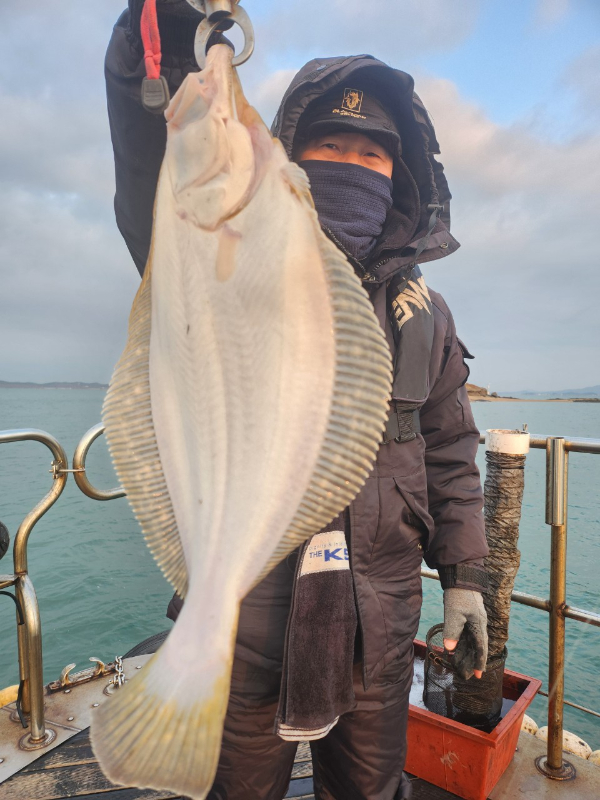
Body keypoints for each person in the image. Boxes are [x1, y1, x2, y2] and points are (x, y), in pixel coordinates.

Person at [105, 3, 490, 798]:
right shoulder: (220, 248)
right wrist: (174, 30)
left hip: (377, 633)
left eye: (374, 154)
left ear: (402, 175)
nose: (353, 164)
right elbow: (154, 147)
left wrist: (465, 574)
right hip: (248, 627)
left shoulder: (428, 316)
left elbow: (450, 452)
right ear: (293, 157)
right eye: (329, 145)